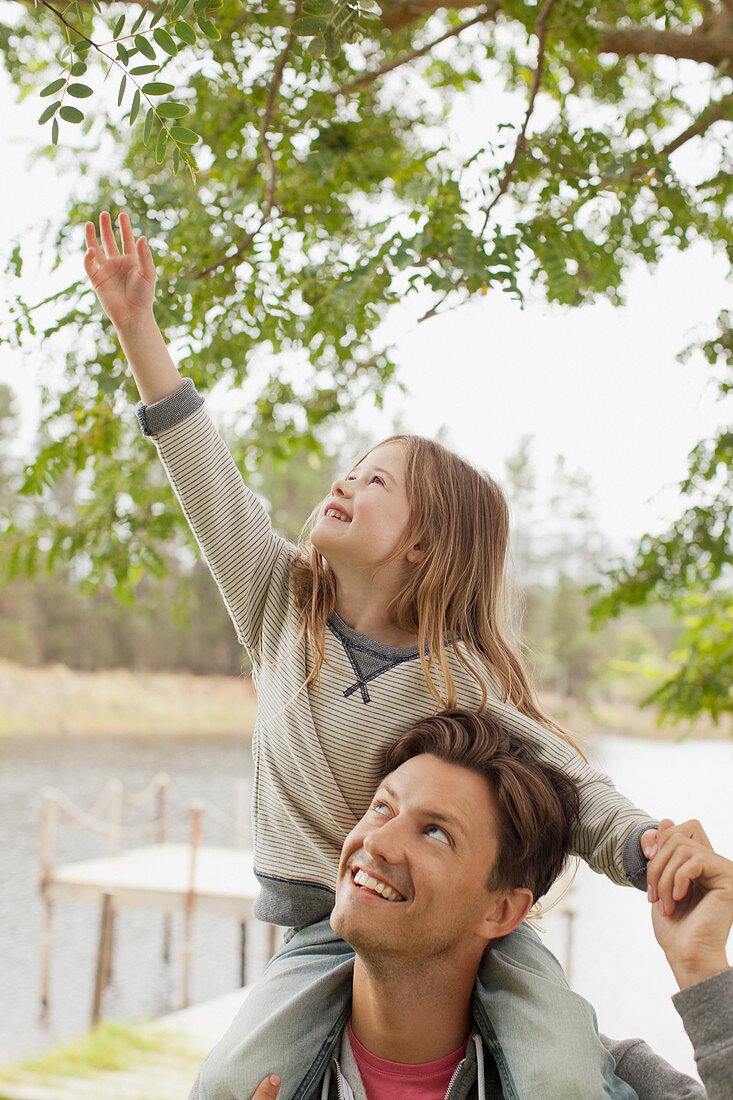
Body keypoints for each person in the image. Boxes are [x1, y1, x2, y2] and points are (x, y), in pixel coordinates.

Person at [83, 210, 666, 1100]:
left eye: (375, 479)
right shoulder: (276, 600)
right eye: (350, 466)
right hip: (326, 926)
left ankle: (610, 1059)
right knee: (229, 1084)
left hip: (463, 921)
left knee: (559, 1080)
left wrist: (643, 848)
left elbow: (564, 779)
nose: (343, 479)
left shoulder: (454, 677)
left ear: (423, 548)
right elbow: (204, 472)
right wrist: (136, 323)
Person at [241, 712, 733, 1100]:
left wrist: (703, 969)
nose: (378, 842)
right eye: (383, 807)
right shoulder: (269, 1070)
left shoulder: (597, 1081)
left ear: (501, 912)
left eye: (436, 832)